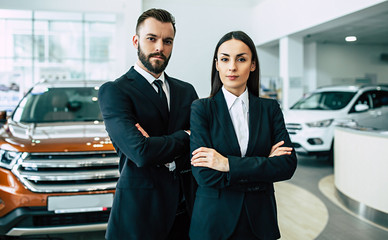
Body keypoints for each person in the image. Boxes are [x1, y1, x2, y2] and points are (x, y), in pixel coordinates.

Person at [98, 8, 198, 240]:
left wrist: (155, 143)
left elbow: (202, 143)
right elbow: (140, 152)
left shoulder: (186, 91)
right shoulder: (115, 91)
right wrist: (186, 134)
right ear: (136, 41)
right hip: (139, 216)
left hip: (186, 213)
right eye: (151, 39)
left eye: (167, 41)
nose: (159, 48)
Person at [189, 31, 297, 240]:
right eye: (225, 59)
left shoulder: (270, 109)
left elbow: (287, 165)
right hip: (214, 223)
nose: (232, 67)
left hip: (260, 222)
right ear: (217, 65)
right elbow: (204, 174)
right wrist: (265, 164)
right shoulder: (202, 108)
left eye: (241, 59)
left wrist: (227, 164)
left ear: (253, 64)